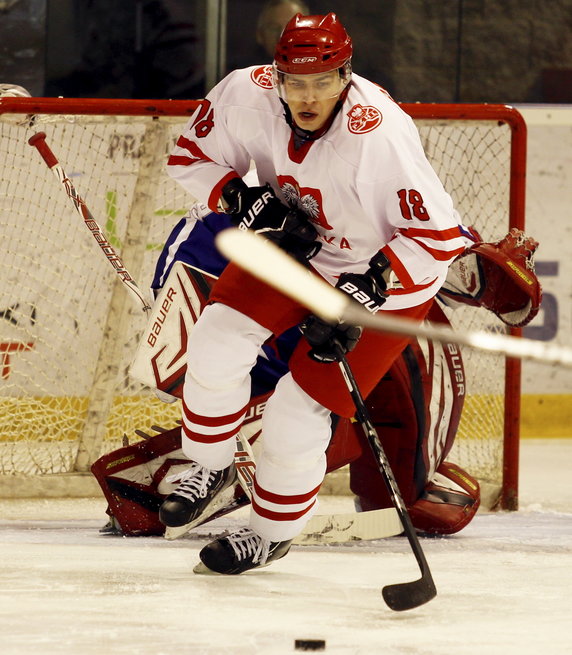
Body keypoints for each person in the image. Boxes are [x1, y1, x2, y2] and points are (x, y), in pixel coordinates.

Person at [152, 13, 516, 575]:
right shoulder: (244, 94)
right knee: (216, 341)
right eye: (294, 82)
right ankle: (210, 467)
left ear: (346, 76)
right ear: (275, 76)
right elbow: (191, 158)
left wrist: (369, 289)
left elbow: (437, 239)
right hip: (297, 253)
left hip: (386, 281)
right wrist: (240, 198)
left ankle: (269, 535)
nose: (307, 96)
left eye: (322, 81)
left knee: (296, 416)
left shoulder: (379, 136)